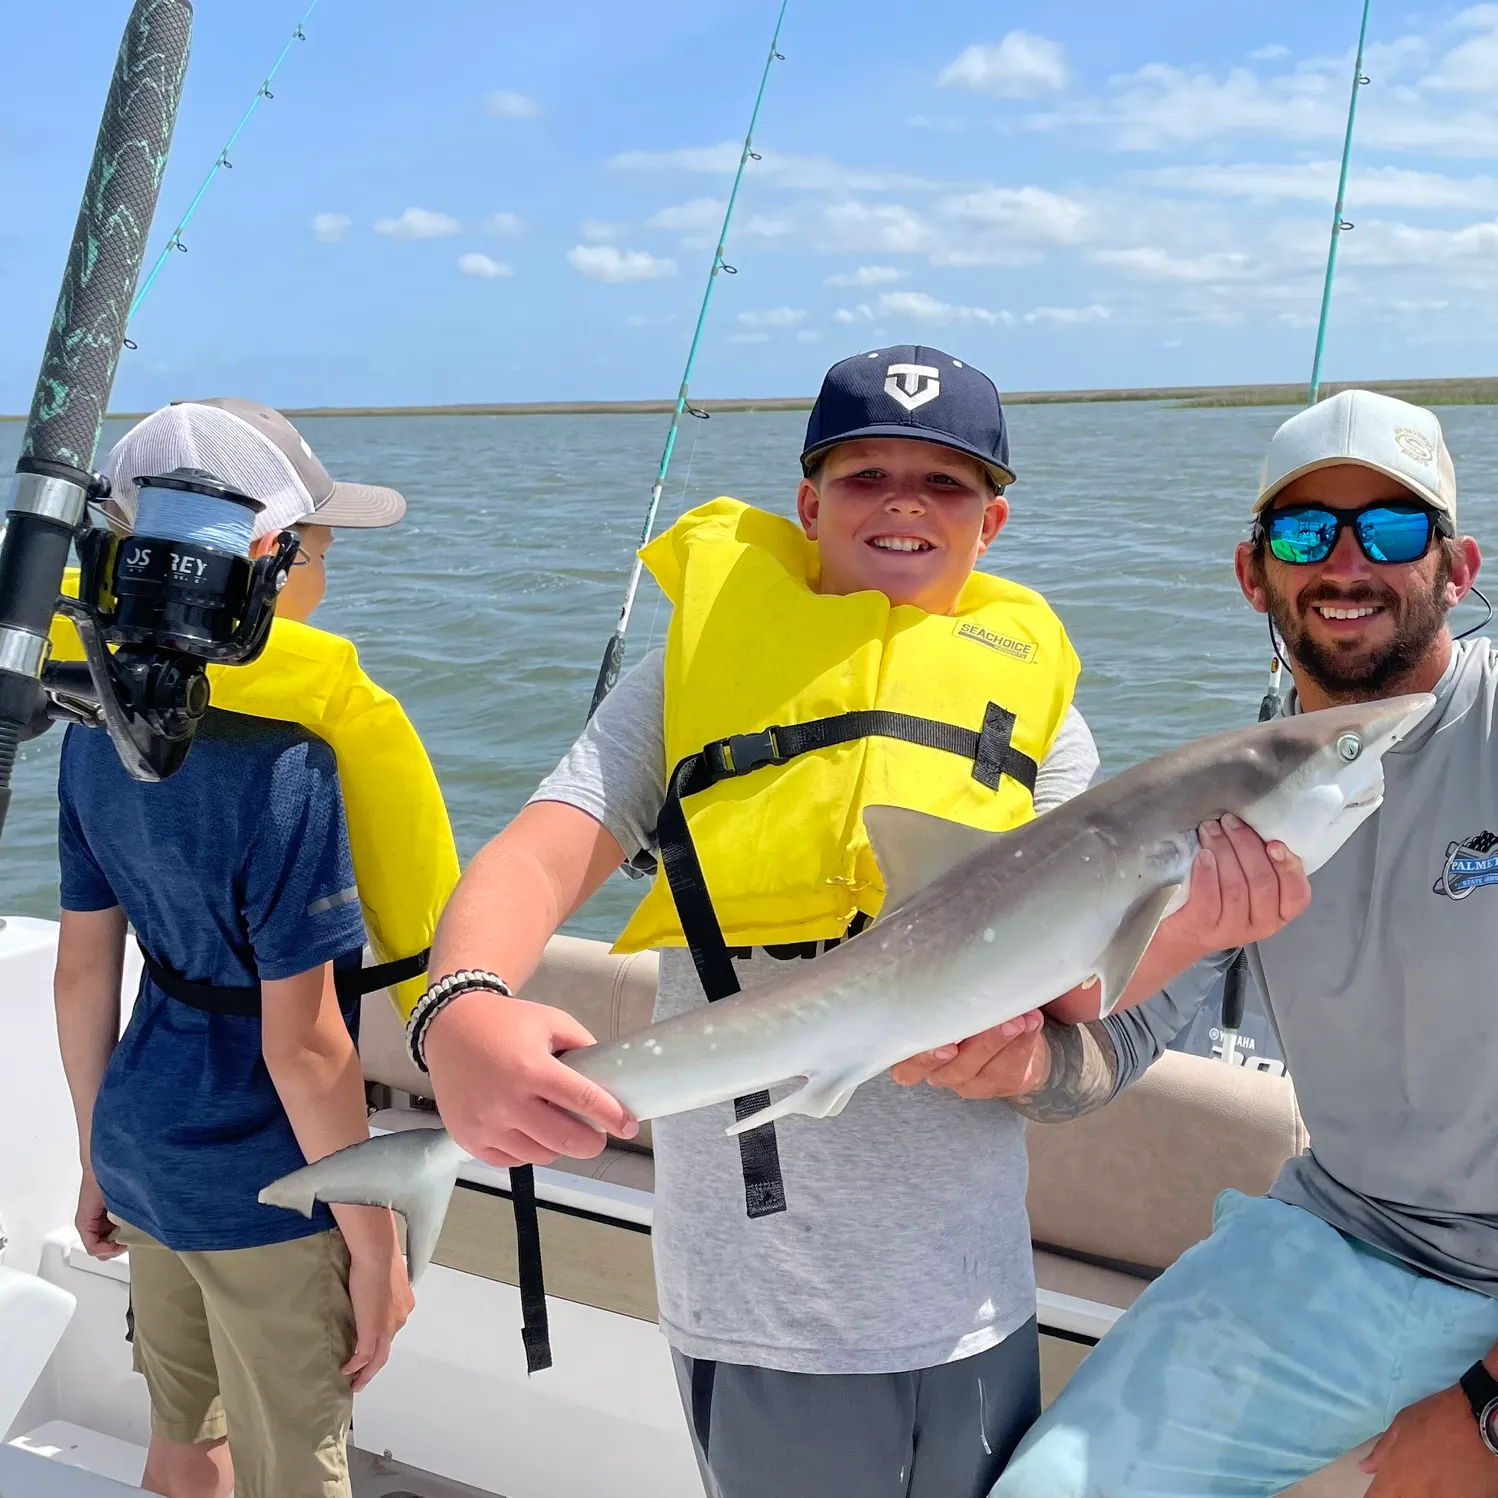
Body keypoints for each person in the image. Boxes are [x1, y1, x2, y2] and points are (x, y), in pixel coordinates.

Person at [406, 345, 1298, 1498]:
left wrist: (1196, 923)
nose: (904, 504)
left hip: (972, 1288)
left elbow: (1078, 1003)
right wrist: (457, 1005)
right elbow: (535, 854)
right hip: (760, 1292)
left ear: (994, 522)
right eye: (867, 474)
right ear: (807, 502)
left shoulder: (1044, 720)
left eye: (945, 483)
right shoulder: (687, 677)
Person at [988, 389, 1498, 1497]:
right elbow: (1116, 1041)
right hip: (1349, 1239)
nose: (1348, 562)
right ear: (1251, 573)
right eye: (1307, 531)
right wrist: (1024, 1065)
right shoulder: (1225, 794)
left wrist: (1487, 1407)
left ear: (1456, 569)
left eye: (1394, 530)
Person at [53, 398, 424, 1498]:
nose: (326, 568)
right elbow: (303, 1049)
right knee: (296, 1470)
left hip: (140, 1155)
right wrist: (373, 1244)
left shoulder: (92, 736)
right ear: (259, 563)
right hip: (265, 1189)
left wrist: (95, 1157)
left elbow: (83, 976)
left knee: (183, 1434)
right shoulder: (293, 767)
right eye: (315, 545)